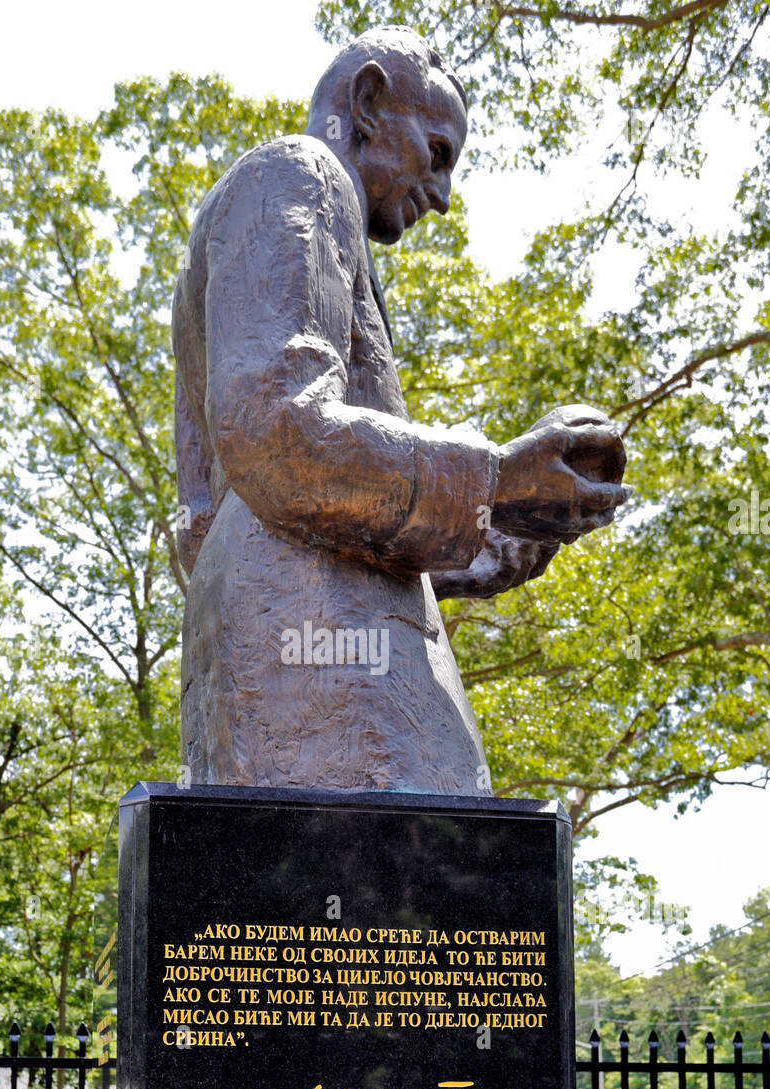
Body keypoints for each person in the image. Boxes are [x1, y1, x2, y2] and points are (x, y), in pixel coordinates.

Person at [172, 25, 627, 795]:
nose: (444, 199)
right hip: (329, 675)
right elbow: (275, 431)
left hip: (294, 637)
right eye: (438, 152)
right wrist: (493, 478)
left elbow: (303, 506)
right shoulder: (300, 174)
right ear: (369, 102)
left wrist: (512, 521)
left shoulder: (290, 209)